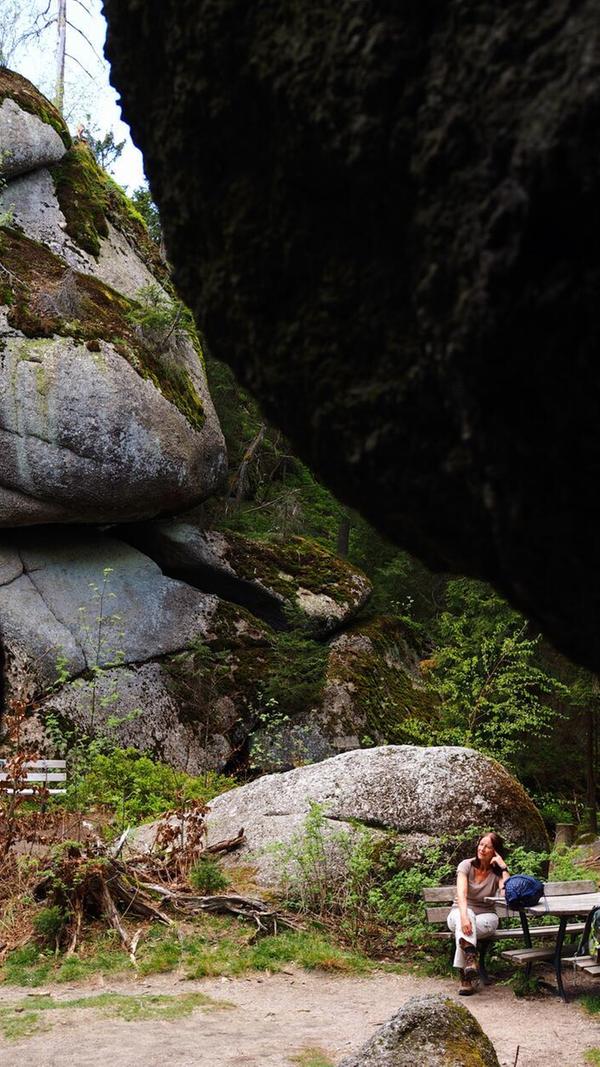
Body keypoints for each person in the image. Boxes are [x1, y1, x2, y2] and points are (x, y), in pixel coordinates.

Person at [446, 831, 510, 996]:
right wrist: (464, 917)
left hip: (487, 917)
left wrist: (503, 868)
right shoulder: (466, 865)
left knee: (467, 928)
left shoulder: (497, 872)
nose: (482, 849)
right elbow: (461, 894)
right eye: (481, 844)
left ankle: (466, 975)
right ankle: (470, 962)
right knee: (466, 921)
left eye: (488, 847)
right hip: (459, 913)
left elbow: (507, 894)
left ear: (495, 851)